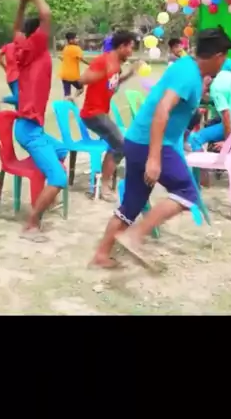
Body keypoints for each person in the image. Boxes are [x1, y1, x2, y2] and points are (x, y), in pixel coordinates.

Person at [90, 32, 209, 269]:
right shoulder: (188, 74)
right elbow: (162, 110)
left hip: (137, 141)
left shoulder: (185, 65)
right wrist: (154, 158)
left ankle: (101, 255)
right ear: (217, 56)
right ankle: (135, 235)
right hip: (152, 144)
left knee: (131, 204)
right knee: (186, 193)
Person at [10, 0, 68, 241]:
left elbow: (17, 30)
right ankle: (32, 224)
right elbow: (46, 15)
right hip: (30, 130)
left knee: (62, 151)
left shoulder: (23, 48)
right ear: (38, 35)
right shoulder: (37, 46)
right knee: (59, 177)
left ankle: (47, 197)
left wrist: (23, 2)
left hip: (31, 127)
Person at [79, 31, 137, 202]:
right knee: (121, 145)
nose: (131, 52)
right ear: (122, 46)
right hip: (92, 114)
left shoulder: (116, 65)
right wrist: (94, 77)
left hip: (101, 112)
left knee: (119, 144)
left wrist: (128, 75)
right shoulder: (103, 61)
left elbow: (113, 84)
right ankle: (104, 187)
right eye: (130, 48)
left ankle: (105, 182)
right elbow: (82, 79)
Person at [188, 29, 231, 151]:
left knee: (195, 139)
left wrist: (227, 142)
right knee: (212, 125)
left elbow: (226, 115)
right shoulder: (228, 76)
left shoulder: (216, 88)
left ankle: (201, 163)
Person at [59, 31, 89, 98]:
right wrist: (91, 64)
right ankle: (74, 99)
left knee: (67, 94)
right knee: (81, 88)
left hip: (64, 75)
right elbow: (82, 59)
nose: (77, 39)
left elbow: (64, 59)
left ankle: (68, 101)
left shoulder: (65, 48)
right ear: (71, 40)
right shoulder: (76, 49)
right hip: (73, 75)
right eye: (76, 38)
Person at [0, 41, 20, 108]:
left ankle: (18, 113)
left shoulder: (8, 46)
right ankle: (1, 99)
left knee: (17, 101)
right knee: (19, 99)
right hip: (17, 77)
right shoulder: (21, 47)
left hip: (10, 78)